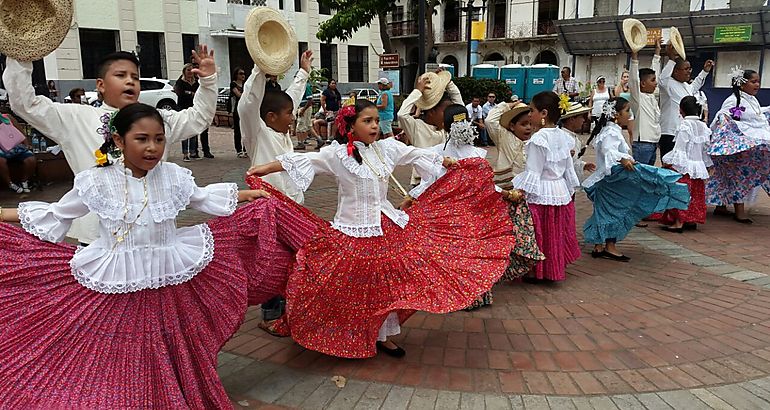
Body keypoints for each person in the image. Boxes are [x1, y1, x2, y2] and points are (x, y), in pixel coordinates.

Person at [0, 103, 279, 408]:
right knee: (123, 353)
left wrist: (245, 195)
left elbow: (201, 198)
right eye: (142, 138)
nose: (152, 147)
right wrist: (3, 214)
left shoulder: (173, 176)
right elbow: (57, 214)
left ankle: (168, 395)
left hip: (167, 285)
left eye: (159, 139)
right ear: (119, 141)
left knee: (166, 347)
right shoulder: (96, 180)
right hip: (118, 287)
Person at [246, 99, 515, 358]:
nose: (375, 125)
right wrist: (263, 169)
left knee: (388, 284)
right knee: (342, 283)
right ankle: (345, 330)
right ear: (350, 126)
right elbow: (302, 160)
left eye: (376, 120)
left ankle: (383, 335)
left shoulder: (387, 148)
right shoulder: (337, 154)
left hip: (386, 225)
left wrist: (447, 162)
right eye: (367, 121)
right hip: (351, 229)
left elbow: (415, 154)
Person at [2, 46, 218, 245]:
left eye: (135, 77)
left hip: (152, 236)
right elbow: (25, 103)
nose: (130, 82)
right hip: (97, 239)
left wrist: (208, 81)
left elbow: (198, 118)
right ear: (101, 85)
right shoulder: (75, 117)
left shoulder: (156, 119)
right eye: (120, 75)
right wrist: (21, 53)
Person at [407, 104, 543, 308]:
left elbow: (428, 184)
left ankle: (455, 294)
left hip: (448, 214)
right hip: (471, 213)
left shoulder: (436, 153)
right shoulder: (474, 154)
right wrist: (507, 194)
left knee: (452, 255)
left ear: (444, 126)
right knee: (472, 254)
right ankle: (475, 295)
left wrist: (413, 198)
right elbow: (486, 186)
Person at [581, 97, 689, 261]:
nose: (629, 114)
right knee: (615, 212)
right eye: (627, 111)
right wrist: (622, 159)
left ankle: (599, 246)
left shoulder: (609, 130)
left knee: (604, 212)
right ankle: (609, 246)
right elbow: (608, 151)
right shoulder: (611, 132)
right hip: (611, 180)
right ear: (616, 114)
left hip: (606, 179)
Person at [512, 91, 581, 281]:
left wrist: (521, 192)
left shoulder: (538, 139)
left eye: (531, 110)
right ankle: (551, 269)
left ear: (543, 113)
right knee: (553, 232)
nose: (529, 114)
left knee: (537, 231)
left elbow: (534, 170)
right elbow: (568, 168)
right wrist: (569, 188)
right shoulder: (563, 137)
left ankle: (536, 270)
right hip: (558, 190)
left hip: (541, 191)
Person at [240, 50, 312, 204]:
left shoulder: (282, 131)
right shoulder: (257, 133)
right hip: (267, 208)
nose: (293, 118)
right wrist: (259, 69)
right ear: (271, 116)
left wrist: (304, 72)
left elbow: (292, 97)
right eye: (289, 114)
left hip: (294, 206)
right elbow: (248, 104)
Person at [707, 68, 770, 223]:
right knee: (736, 176)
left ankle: (721, 206)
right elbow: (721, 117)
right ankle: (739, 211)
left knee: (731, 176)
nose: (757, 85)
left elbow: (756, 115)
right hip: (737, 148)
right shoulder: (733, 100)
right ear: (742, 84)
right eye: (753, 81)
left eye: (758, 82)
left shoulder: (751, 99)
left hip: (748, 146)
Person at [398, 69, 464, 185]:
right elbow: (401, 114)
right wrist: (417, 91)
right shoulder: (416, 127)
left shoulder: (447, 128)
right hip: (421, 183)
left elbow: (460, 109)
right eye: (445, 111)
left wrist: (447, 83)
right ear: (432, 112)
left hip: (444, 181)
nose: (449, 115)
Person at [659, 96, 711, 232]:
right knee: (695, 194)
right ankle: (690, 219)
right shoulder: (703, 126)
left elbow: (680, 149)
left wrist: (669, 163)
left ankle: (678, 222)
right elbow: (705, 149)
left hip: (684, 166)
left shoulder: (684, 125)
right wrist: (707, 165)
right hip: (698, 167)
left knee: (680, 193)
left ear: (681, 110)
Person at [659, 42, 714, 157]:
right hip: (670, 132)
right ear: (675, 71)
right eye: (686, 69)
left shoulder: (685, 86)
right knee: (669, 167)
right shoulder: (667, 84)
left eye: (690, 68)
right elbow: (662, 78)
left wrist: (705, 72)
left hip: (684, 132)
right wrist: (672, 60)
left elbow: (694, 86)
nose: (689, 71)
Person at [629, 40, 662, 166]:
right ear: (642, 84)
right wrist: (634, 56)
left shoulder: (652, 96)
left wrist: (657, 52)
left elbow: (654, 71)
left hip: (653, 145)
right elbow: (633, 79)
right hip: (642, 144)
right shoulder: (638, 97)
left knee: (647, 178)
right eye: (653, 81)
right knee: (640, 178)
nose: (656, 83)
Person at [485, 101, 530, 188]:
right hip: (505, 188)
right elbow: (489, 121)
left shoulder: (534, 141)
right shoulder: (504, 136)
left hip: (526, 188)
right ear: (512, 126)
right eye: (523, 124)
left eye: (531, 124)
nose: (528, 128)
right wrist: (508, 105)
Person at [558, 101, 596, 182]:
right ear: (572, 119)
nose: (583, 120)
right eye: (581, 117)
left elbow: (573, 161)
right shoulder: (563, 137)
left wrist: (583, 165)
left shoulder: (572, 137)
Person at [0, 109, 35, 193]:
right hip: (2, 149)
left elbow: (20, 131)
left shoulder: (7, 117)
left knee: (31, 159)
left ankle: (24, 181)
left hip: (17, 147)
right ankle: (10, 184)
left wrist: (26, 144)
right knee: (0, 161)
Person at [176, 63, 204, 161]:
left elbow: (199, 93)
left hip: (193, 108)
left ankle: (193, 152)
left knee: (193, 130)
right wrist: (190, 93)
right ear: (184, 71)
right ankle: (185, 153)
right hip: (183, 108)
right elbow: (179, 92)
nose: (190, 72)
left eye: (192, 70)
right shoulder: (180, 82)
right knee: (184, 130)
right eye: (188, 70)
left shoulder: (196, 82)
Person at [230, 67, 247, 158]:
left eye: (243, 73)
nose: (243, 75)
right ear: (236, 74)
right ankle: (239, 149)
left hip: (246, 109)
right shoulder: (233, 84)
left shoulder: (245, 84)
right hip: (237, 108)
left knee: (246, 129)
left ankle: (246, 148)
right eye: (240, 73)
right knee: (238, 130)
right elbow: (239, 95)